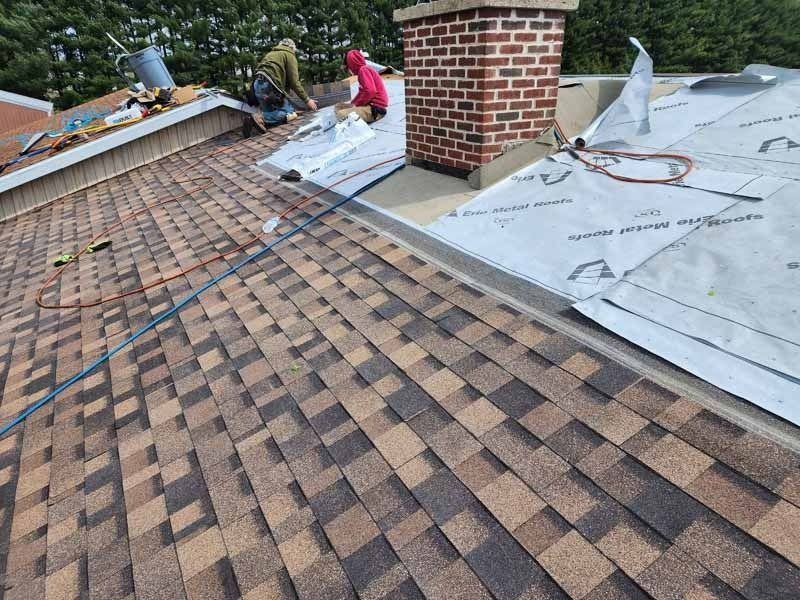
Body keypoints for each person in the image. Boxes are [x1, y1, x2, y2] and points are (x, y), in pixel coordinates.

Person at [245, 38, 318, 135]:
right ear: (292, 48)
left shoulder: (271, 54)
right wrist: (307, 100)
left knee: (270, 115)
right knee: (290, 113)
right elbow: (294, 82)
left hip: (257, 86)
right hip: (269, 87)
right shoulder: (289, 55)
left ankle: (256, 122)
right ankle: (259, 118)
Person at [334, 49, 389, 124]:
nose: (349, 70)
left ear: (352, 64)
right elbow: (362, 92)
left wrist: (356, 105)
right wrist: (353, 104)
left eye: (348, 66)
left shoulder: (364, 70)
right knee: (338, 106)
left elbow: (370, 91)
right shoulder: (364, 70)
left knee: (341, 114)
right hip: (369, 105)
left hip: (375, 109)